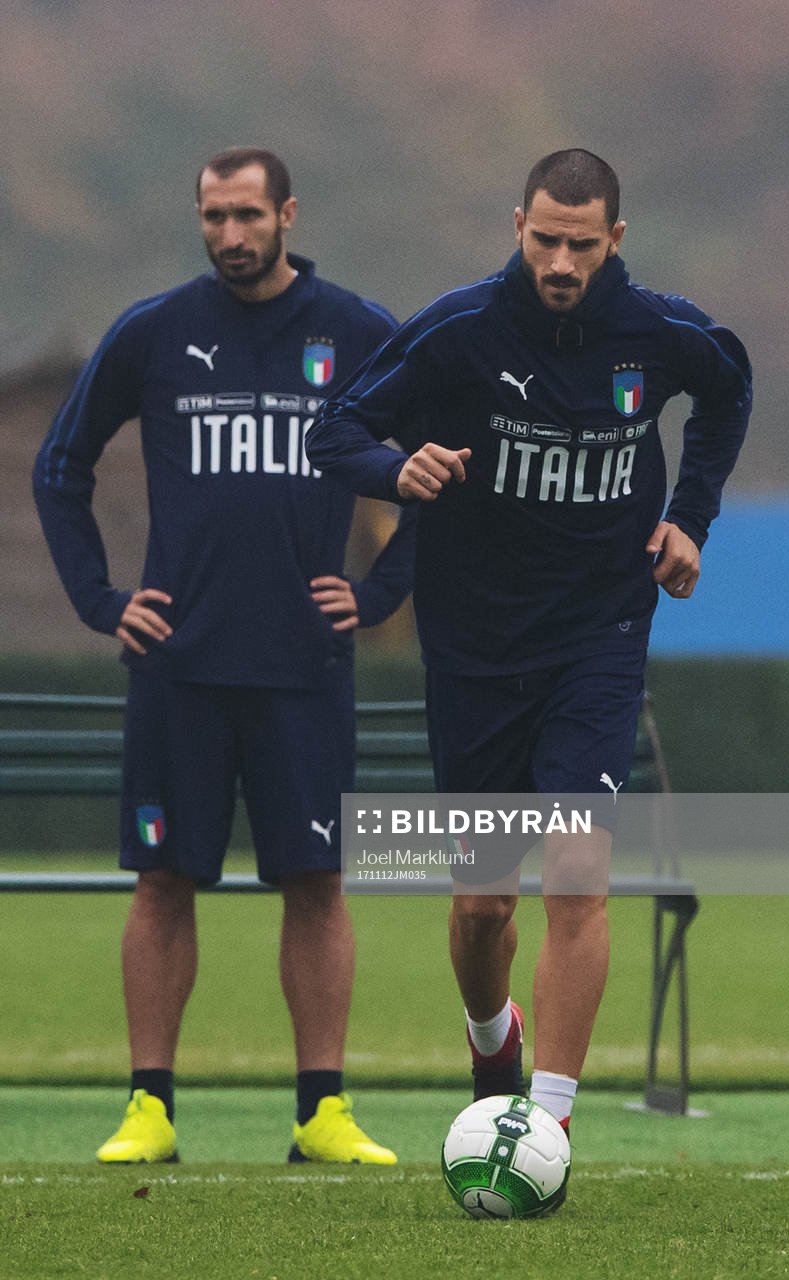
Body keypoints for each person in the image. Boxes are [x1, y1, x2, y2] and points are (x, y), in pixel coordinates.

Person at [306, 149, 751, 1134]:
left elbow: (726, 389)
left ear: (614, 241)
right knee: (479, 909)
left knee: (577, 874)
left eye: (579, 244)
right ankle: (488, 1034)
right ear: (517, 225)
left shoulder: (661, 330)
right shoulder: (460, 328)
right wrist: (395, 464)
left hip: (597, 633)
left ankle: (542, 1121)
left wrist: (690, 516)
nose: (558, 259)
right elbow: (334, 430)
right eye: (543, 238)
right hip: (472, 646)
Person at [33, 146, 414, 1166]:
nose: (230, 236)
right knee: (162, 881)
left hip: (304, 668)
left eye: (247, 215)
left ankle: (322, 1111)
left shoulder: (358, 333)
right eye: (212, 217)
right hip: (179, 667)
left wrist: (378, 591)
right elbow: (59, 467)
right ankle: (150, 1107)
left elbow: (443, 460)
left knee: (318, 881)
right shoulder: (154, 332)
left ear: (288, 212)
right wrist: (102, 600)